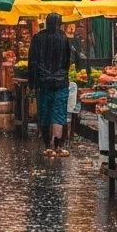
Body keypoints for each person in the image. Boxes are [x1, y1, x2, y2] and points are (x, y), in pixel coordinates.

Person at [29, 12, 72, 157]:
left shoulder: (38, 38)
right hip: (60, 83)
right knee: (59, 114)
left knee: (44, 113)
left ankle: (48, 146)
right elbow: (67, 62)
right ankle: (59, 146)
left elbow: (32, 62)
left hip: (43, 83)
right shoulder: (64, 38)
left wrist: (32, 83)